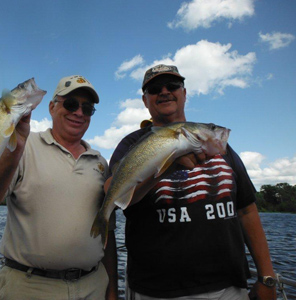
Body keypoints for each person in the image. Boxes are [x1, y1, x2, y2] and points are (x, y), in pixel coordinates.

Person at [108, 64, 276, 300]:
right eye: (155, 89)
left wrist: (267, 277)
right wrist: (167, 166)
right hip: (156, 290)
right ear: (145, 100)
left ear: (184, 93)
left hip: (228, 287)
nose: (164, 91)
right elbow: (112, 195)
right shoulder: (133, 144)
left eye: (173, 85)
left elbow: (247, 210)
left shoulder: (217, 145)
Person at [0, 75, 118, 300]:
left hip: (94, 285)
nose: (79, 112)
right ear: (52, 107)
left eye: (87, 108)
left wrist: (111, 289)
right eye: (71, 104)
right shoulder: (21, 143)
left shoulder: (101, 163)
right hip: (29, 288)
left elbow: (107, 232)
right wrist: (17, 147)